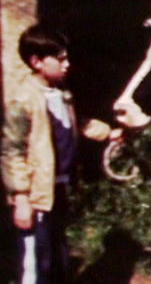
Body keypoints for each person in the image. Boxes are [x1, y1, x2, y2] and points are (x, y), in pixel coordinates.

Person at [1, 24, 111, 284]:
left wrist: (108, 132)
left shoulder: (62, 95)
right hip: (35, 195)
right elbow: (11, 152)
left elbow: (73, 125)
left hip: (57, 189)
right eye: (60, 59)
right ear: (36, 62)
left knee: (58, 253)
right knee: (35, 261)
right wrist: (21, 199)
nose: (67, 64)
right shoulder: (22, 101)